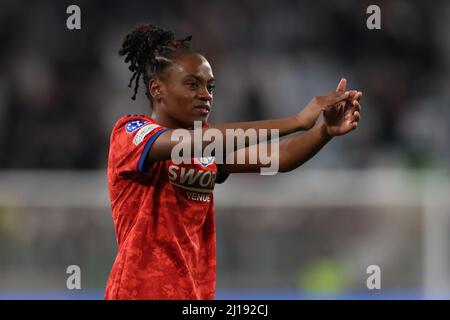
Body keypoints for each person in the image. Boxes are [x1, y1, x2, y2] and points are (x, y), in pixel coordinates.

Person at [105, 23, 362, 300]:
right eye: (193, 84)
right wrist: (296, 122)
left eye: (210, 86)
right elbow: (190, 143)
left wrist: (323, 132)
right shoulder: (131, 133)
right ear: (157, 89)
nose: (205, 94)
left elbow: (280, 157)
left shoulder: (205, 146)